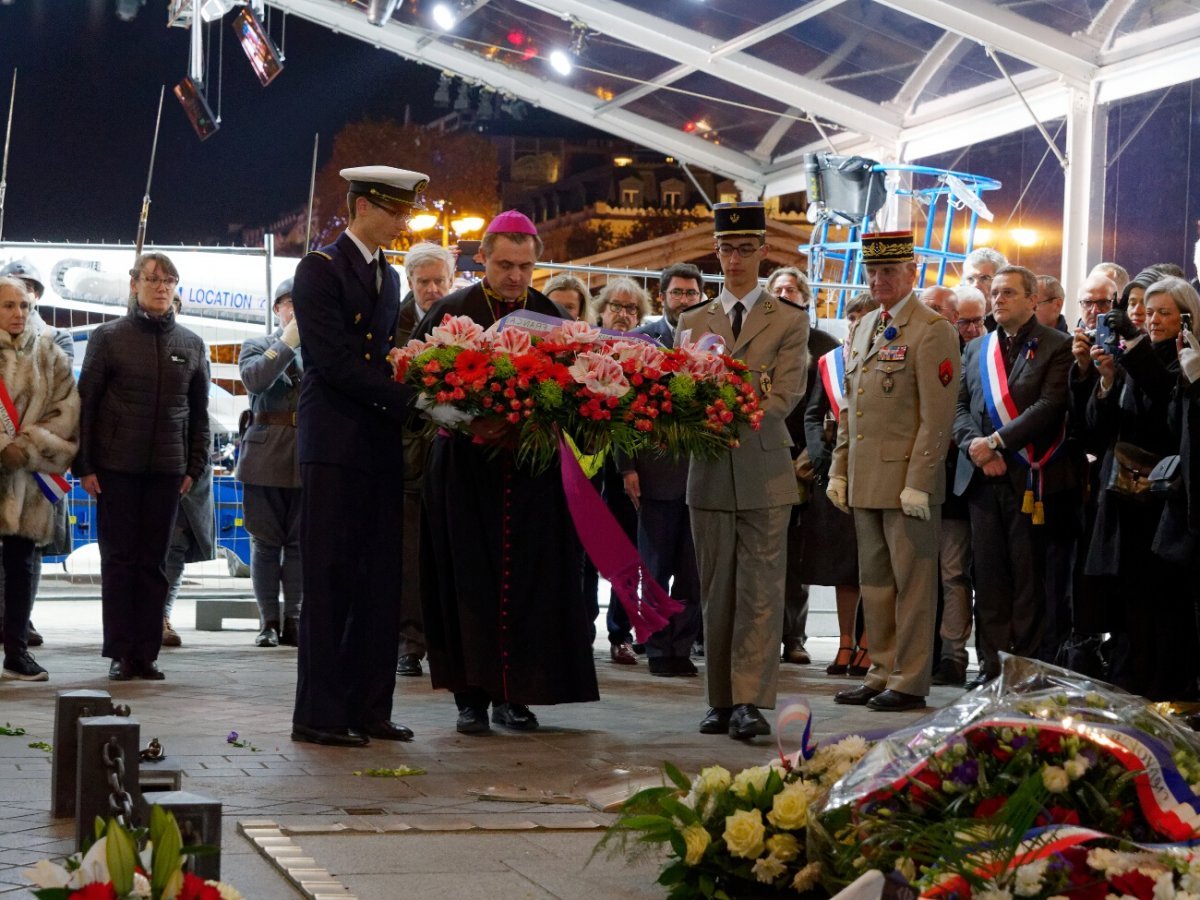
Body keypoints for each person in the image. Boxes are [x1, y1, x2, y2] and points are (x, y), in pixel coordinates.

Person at [413, 209, 599, 735]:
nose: (515, 276)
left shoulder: (549, 315)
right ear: (483, 259)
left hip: (532, 470)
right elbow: (417, 389)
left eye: (525, 266)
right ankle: (470, 697)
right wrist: (471, 421)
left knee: (529, 583)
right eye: (505, 265)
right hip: (464, 470)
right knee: (466, 580)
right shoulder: (452, 312)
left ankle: (515, 694)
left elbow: (575, 390)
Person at [290, 166, 427, 747]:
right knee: (330, 579)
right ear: (364, 205)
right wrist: (413, 401)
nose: (402, 223)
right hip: (334, 442)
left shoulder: (388, 277)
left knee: (378, 580)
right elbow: (332, 361)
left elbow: (379, 358)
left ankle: (369, 707)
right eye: (395, 212)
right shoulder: (319, 269)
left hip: (375, 440)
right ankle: (319, 714)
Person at [678, 201, 808, 740]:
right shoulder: (691, 320)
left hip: (764, 467)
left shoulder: (790, 319)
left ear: (762, 252)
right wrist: (704, 413)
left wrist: (735, 413)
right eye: (727, 249)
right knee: (717, 589)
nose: (735, 259)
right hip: (709, 467)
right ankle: (720, 699)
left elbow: (787, 392)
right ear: (716, 251)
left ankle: (751, 702)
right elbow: (679, 390)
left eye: (746, 249)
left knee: (760, 590)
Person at [827, 231, 960, 712]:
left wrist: (920, 483)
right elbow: (851, 408)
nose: (879, 280)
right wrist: (840, 469)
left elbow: (937, 417)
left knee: (914, 586)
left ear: (912, 273)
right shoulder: (865, 327)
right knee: (876, 585)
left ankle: (909, 679)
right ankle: (880, 669)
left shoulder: (932, 329)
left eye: (889, 271)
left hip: (907, 483)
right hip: (866, 479)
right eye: (873, 272)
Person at [75, 252, 210, 682]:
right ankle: (119, 651)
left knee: (154, 563)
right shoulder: (109, 337)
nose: (161, 286)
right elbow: (87, 404)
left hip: (168, 471)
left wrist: (195, 464)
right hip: (115, 468)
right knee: (119, 561)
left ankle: (146, 653)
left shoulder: (191, 343)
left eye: (169, 280)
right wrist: (85, 465)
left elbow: (200, 413)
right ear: (134, 284)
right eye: (152, 279)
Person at [952, 265, 1073, 687]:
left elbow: (1050, 405)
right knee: (987, 577)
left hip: (1029, 479)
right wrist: (976, 447)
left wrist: (998, 443)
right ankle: (990, 667)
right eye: (995, 293)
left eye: (1007, 293)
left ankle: (1023, 668)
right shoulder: (977, 348)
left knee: (1027, 577)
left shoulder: (1057, 345)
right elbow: (960, 407)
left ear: (1032, 300)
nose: (997, 299)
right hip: (983, 477)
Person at [1083, 277, 1200, 700]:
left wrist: (1133, 346)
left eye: (1163, 313)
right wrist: (1108, 381)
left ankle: (1166, 688)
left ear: (1186, 316)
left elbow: (1167, 411)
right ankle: (1135, 680)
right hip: (1126, 498)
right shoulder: (1137, 359)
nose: (1152, 320)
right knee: (1131, 598)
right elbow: (1101, 431)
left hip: (1166, 500)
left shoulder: (1187, 360)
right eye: (1148, 313)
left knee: (1165, 601)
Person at [620, 262, 707, 676]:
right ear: (662, 297)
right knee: (655, 570)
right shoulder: (640, 342)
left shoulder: (714, 342)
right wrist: (626, 467)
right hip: (652, 473)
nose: (685, 300)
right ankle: (656, 649)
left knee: (693, 572)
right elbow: (618, 409)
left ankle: (682, 647)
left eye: (692, 293)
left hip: (701, 474)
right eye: (678, 293)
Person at [0, 277, 79, 682]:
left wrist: (26, 449)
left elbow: (67, 413)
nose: (17, 314)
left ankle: (16, 652)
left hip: (29, 485)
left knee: (23, 567)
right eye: (8, 306)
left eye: (24, 306)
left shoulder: (50, 354)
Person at [803, 292, 877, 677]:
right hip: (835, 474)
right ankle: (844, 641)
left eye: (863, 318)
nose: (855, 324)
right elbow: (813, 414)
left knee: (872, 565)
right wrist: (820, 455)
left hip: (875, 470)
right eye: (852, 318)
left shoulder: (885, 357)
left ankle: (869, 644)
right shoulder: (830, 362)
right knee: (842, 566)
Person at [395, 244, 455, 677]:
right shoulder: (392, 324)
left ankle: (449, 643)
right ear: (410, 283)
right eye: (423, 282)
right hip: (407, 456)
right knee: (410, 557)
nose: (432, 289)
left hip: (454, 454)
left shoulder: (466, 318)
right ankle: (410, 643)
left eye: (439, 281)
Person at [237, 278, 303, 649]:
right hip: (264, 453)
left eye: (301, 303)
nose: (294, 309)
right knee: (265, 542)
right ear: (277, 309)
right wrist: (287, 343)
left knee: (297, 543)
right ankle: (268, 622)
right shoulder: (258, 345)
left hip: (306, 452)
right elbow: (256, 379)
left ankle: (293, 618)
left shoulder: (321, 347)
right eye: (287, 303)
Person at [778, 266, 838, 666]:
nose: (784, 294)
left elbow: (830, 405)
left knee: (795, 557)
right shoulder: (759, 339)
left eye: (792, 289)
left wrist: (811, 455)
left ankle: (794, 637)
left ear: (806, 298)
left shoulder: (824, 345)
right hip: (761, 454)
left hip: (803, 461)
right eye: (777, 289)